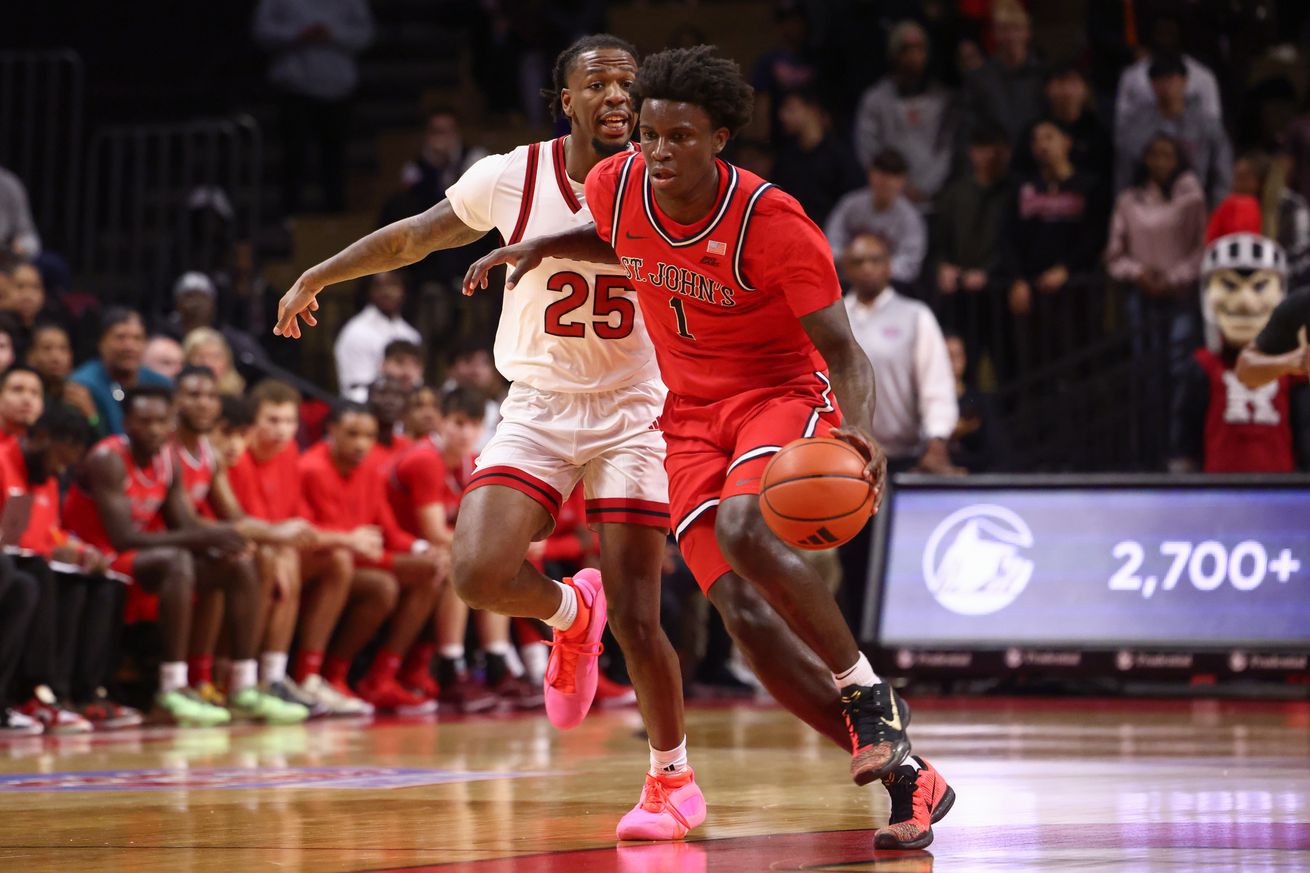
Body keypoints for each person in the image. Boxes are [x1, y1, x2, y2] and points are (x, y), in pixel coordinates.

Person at [460, 44, 954, 850]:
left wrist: (858, 426)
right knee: (746, 621)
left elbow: (845, 348)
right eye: (650, 134)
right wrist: (542, 246)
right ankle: (912, 777)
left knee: (743, 529)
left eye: (680, 137)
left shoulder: (773, 220)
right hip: (685, 417)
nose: (658, 151)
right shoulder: (615, 184)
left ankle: (868, 694)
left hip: (778, 397)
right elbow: (613, 235)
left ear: (720, 138)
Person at [275, 34, 702, 842]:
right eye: (599, 84)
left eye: (629, 85)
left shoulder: (664, 178)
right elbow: (414, 236)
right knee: (474, 571)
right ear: (564, 99)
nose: (617, 96)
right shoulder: (515, 174)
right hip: (538, 403)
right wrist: (317, 274)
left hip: (634, 410)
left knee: (643, 619)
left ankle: (671, 778)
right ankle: (570, 613)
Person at [60, 385, 264, 726]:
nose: (154, 429)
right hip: (95, 556)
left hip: (140, 557)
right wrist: (213, 534)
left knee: (237, 563)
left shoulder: (168, 458)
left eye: (161, 421)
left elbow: (181, 521)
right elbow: (123, 538)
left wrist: (222, 540)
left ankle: (244, 684)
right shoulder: (107, 459)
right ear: (125, 424)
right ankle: (171, 688)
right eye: (144, 421)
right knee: (178, 560)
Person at [170, 366, 314, 722]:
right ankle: (204, 680)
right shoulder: (171, 452)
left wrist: (273, 535)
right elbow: (188, 522)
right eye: (227, 434)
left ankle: (248, 682)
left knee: (249, 556)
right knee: (241, 558)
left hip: (194, 547)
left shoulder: (208, 455)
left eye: (240, 435)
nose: (234, 443)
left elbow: (233, 519)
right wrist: (274, 534)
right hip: (165, 547)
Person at [226, 379, 375, 716]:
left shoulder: (290, 452)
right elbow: (240, 525)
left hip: (277, 549)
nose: (282, 430)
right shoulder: (238, 455)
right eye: (273, 420)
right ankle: (247, 681)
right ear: (253, 422)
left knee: (330, 561)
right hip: (245, 551)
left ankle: (291, 676)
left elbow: (297, 525)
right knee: (272, 558)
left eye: (290, 422)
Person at [386, 387, 541, 712]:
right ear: (440, 422)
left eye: (473, 424)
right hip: (402, 547)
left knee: (490, 563)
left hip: (432, 551)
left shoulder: (472, 461)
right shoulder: (425, 459)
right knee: (470, 564)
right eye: (457, 422)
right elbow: (432, 531)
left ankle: (499, 660)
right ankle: (451, 666)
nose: (466, 432)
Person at [1, 404, 143, 730]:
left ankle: (86, 693)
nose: (61, 471)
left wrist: (80, 550)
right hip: (19, 564)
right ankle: (39, 692)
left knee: (103, 583)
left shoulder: (44, 476)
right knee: (36, 576)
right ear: (38, 438)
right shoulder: (3, 462)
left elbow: (45, 532)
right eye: (59, 459)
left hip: (29, 561)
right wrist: (49, 551)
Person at [298, 402, 442, 713]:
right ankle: (319, 675)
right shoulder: (311, 469)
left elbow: (389, 531)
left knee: (436, 567)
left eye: (369, 436)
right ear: (331, 431)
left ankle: (381, 676)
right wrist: (354, 543)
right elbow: (307, 536)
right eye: (352, 434)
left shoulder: (370, 469)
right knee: (382, 585)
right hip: (321, 565)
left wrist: (421, 547)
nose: (361, 444)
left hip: (358, 563)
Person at [843, 234, 960, 474]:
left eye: (875, 260)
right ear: (846, 269)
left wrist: (938, 435)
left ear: (888, 266)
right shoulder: (833, 317)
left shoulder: (915, 315)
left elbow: (935, 382)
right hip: (844, 455)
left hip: (904, 457)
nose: (867, 268)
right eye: (858, 262)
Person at [1002, 118, 1106, 372]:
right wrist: (1017, 279)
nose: (1042, 145)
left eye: (1049, 137)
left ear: (1067, 142)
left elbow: (1096, 236)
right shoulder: (1022, 188)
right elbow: (1008, 237)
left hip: (1077, 293)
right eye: (1036, 139)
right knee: (1035, 367)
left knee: (1077, 364)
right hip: (1032, 293)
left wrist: (1066, 269)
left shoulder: (1089, 186)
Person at [252, 0, 374, 213]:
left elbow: (365, 33)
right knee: (294, 158)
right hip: (295, 89)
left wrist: (332, 34)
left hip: (337, 91)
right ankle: (290, 217)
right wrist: (297, 34)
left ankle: (335, 220)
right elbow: (262, 30)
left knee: (334, 160)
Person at [931, 123, 1011, 371]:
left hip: (1001, 294)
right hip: (961, 295)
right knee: (965, 365)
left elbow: (1013, 244)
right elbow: (938, 240)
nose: (987, 155)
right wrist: (942, 266)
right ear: (971, 152)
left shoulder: (1014, 192)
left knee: (1006, 364)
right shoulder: (956, 193)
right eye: (981, 148)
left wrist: (990, 272)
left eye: (993, 148)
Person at [853, 20, 957, 210]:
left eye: (919, 50)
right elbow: (868, 149)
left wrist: (925, 187)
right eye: (906, 50)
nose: (913, 57)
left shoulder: (943, 99)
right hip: (889, 200)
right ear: (894, 55)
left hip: (934, 200)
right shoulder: (875, 99)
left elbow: (947, 149)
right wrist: (894, 185)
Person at [1114, 54, 1232, 207]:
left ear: (1184, 81)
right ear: (1151, 84)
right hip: (1146, 211)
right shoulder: (1135, 127)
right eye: (1159, 80)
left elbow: (1222, 173)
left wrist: (1216, 212)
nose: (1165, 85)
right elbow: (1124, 176)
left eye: (1171, 78)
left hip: (1196, 207)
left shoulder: (1206, 124)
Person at [825, 149, 927, 284]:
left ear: (903, 181)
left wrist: (875, 269)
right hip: (846, 281)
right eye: (882, 173)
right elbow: (830, 243)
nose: (887, 182)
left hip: (890, 286)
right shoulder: (850, 204)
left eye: (894, 176)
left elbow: (910, 264)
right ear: (870, 174)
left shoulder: (910, 217)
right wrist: (849, 261)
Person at [70, 309, 173, 436]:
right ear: (101, 343)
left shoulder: (162, 386)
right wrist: (94, 420)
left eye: (137, 338)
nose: (129, 346)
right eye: (120, 337)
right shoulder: (83, 385)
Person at [770, 88, 863, 228]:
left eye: (791, 109)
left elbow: (852, 202)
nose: (783, 116)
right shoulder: (786, 156)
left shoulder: (839, 156)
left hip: (828, 235)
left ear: (812, 110)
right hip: (789, 231)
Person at [960, 1, 1044, 145]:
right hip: (995, 158)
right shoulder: (978, 79)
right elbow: (969, 129)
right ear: (994, 34)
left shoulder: (1043, 76)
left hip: (1035, 158)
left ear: (1028, 32)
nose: (1011, 37)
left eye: (1017, 29)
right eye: (1004, 30)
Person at [1013, 64, 1112, 182]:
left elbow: (1104, 176)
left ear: (1086, 89)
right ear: (1047, 89)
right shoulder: (1034, 130)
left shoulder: (1099, 131)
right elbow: (1019, 173)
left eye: (1072, 83)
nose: (1066, 90)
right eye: (1060, 82)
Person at [334, 271, 421, 401]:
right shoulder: (356, 331)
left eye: (393, 285)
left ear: (403, 290)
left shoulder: (411, 335)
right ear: (370, 291)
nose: (387, 291)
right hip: (364, 410)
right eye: (380, 286)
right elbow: (355, 390)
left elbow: (416, 382)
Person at [165, 271, 269, 371]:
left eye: (202, 297)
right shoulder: (166, 338)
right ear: (177, 303)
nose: (196, 303)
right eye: (189, 297)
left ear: (213, 304)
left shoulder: (235, 341)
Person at [26, 323, 98, 424]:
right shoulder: (24, 394)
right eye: (47, 348)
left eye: (63, 349)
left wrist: (91, 416)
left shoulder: (79, 395)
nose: (56, 357)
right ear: (31, 356)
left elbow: (100, 435)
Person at [365, 375, 413, 468]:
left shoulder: (408, 448)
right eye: (383, 393)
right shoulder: (357, 447)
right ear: (369, 399)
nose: (390, 401)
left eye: (396, 395)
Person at [183, 327, 245, 396]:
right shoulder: (176, 391)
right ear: (187, 359)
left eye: (215, 357)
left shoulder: (237, 394)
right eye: (201, 357)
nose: (208, 363)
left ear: (227, 361)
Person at [0, 164, 40, 257]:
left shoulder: (7, 184)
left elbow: (28, 236)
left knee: (53, 265)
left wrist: (19, 248)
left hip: (5, 255)